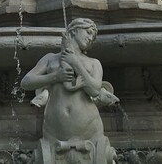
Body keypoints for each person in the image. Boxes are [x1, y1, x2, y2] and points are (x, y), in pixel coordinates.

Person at [21, 18, 117, 163]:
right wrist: (56, 77)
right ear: (74, 30)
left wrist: (75, 63)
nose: (91, 38)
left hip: (90, 132)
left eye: (93, 36)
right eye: (88, 32)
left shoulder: (93, 63)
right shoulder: (50, 59)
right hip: (55, 132)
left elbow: (95, 90)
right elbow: (26, 82)